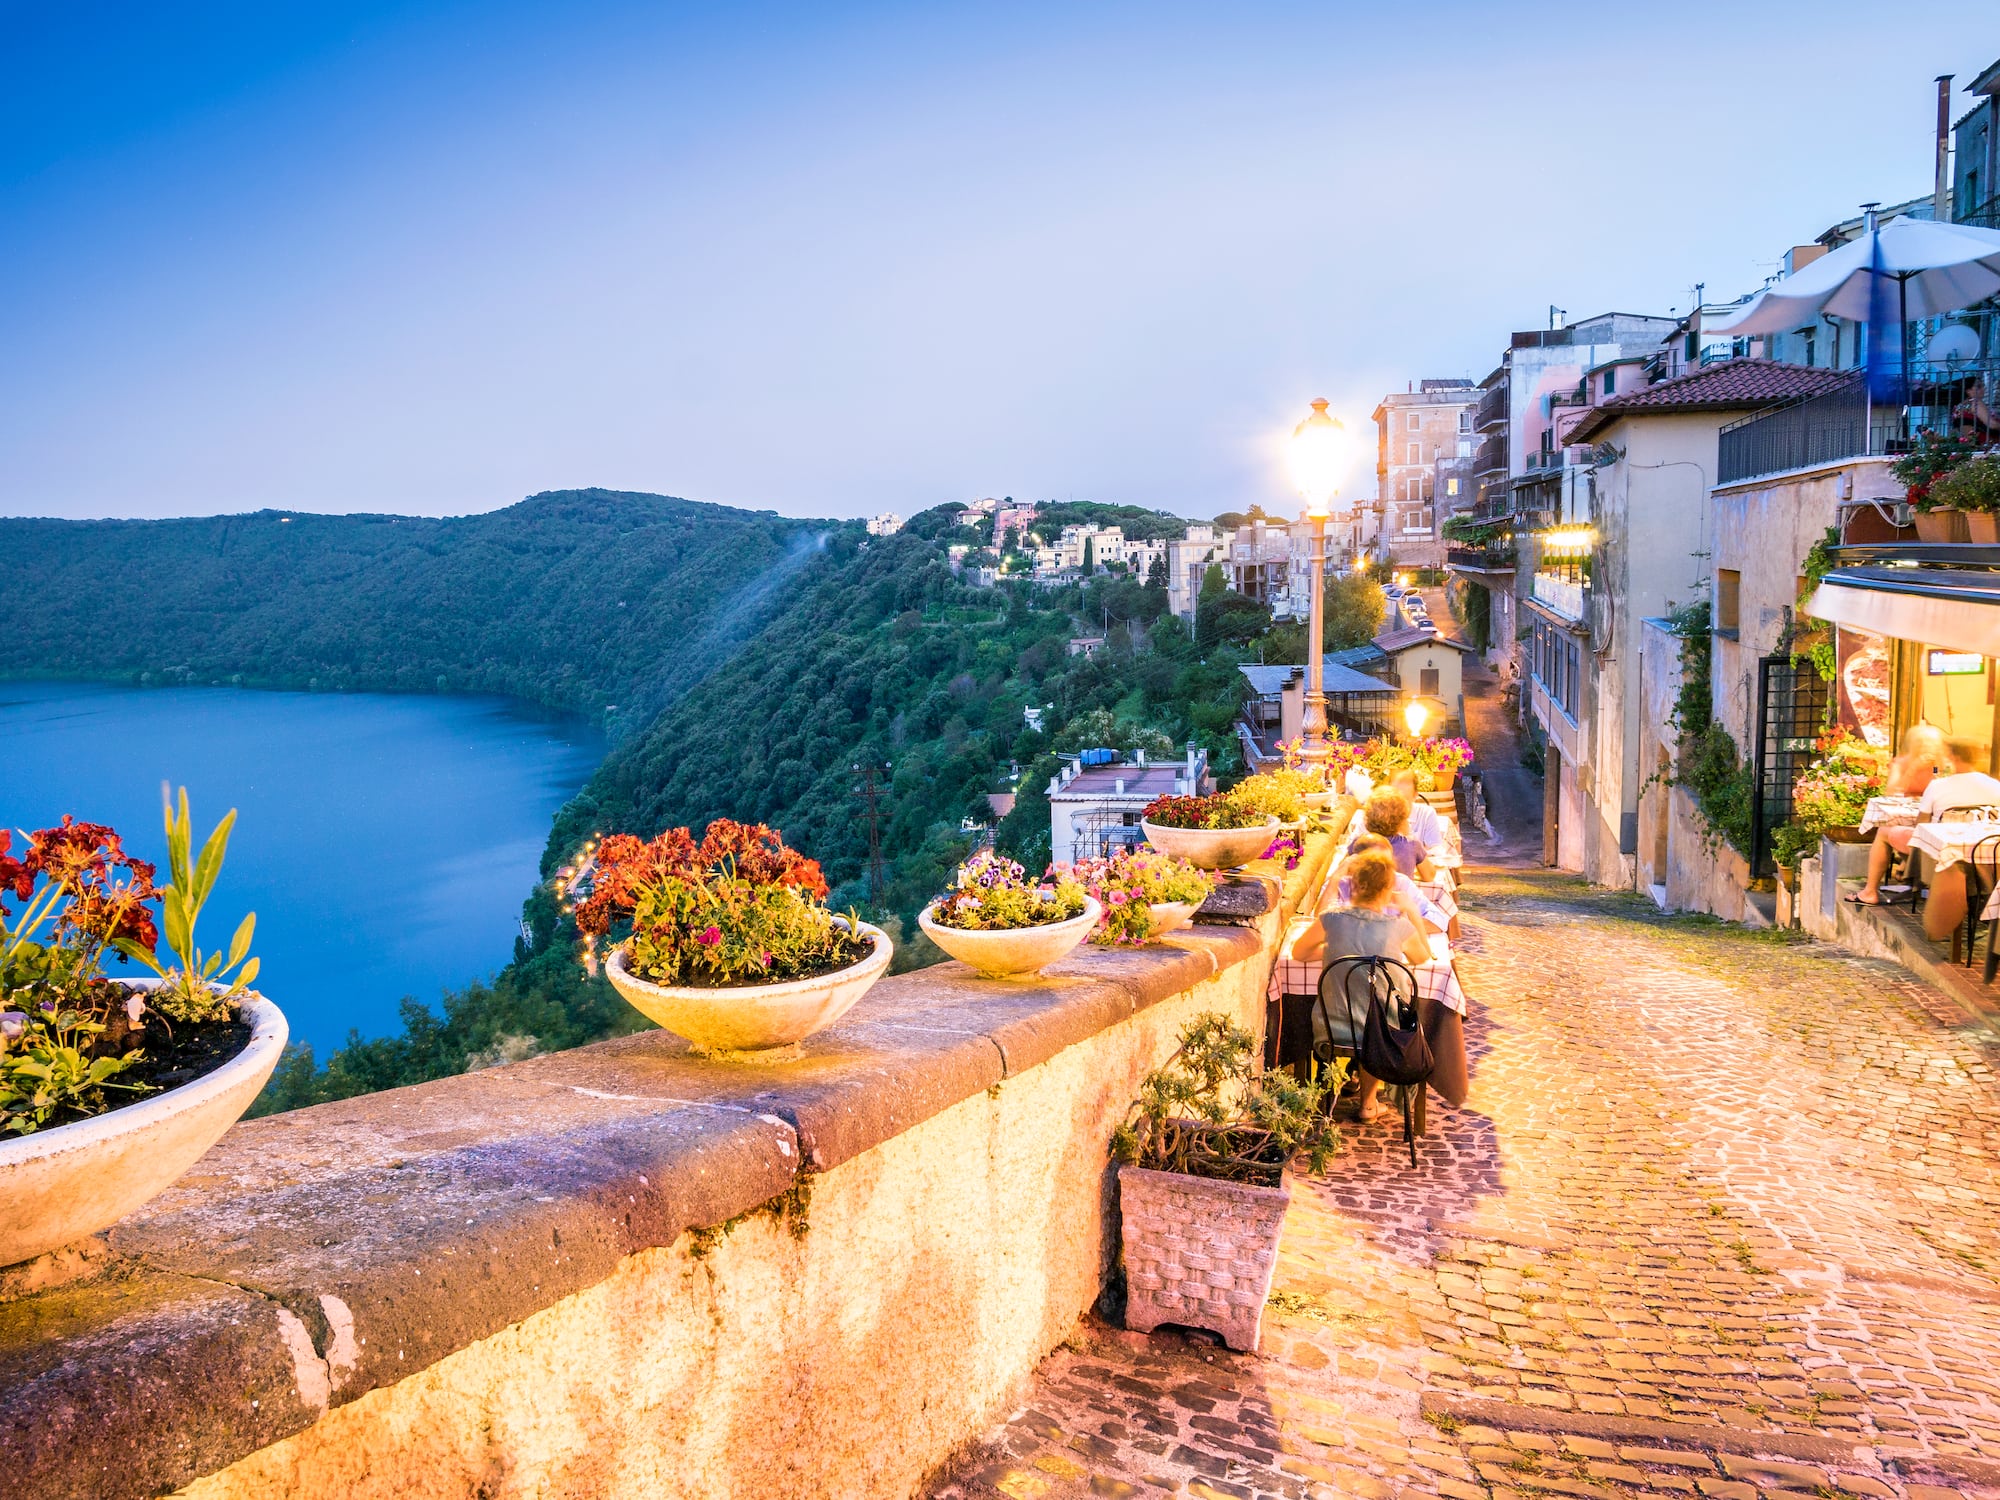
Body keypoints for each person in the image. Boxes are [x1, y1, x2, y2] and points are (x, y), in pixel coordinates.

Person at [1289, 850, 1469, 1120]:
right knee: (1377, 1016)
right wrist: (1410, 911)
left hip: (1332, 1026)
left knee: (1364, 1012)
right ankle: (1368, 1103)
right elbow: (1422, 957)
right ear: (1388, 888)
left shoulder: (1330, 919)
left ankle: (1327, 1096)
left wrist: (1337, 952)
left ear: (1354, 885)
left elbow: (1299, 953)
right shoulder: (1398, 926)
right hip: (1385, 1035)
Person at [1851, 724, 1951, 906]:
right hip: (1917, 822)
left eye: (1933, 745)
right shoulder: (1902, 763)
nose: (1930, 749)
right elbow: (1892, 790)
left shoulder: (1937, 766)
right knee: (1893, 828)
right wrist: (1913, 768)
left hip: (1933, 835)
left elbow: (1938, 784)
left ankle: (1871, 890)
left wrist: (1935, 768)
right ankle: (1907, 867)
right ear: (1915, 745)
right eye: (1925, 744)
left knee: (1884, 832)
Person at [1333, 832, 1448, 935]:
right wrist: (1334, 879)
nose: (1384, 871)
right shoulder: (1341, 884)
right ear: (1356, 863)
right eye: (1375, 865)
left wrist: (1395, 929)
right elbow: (1325, 923)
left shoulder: (1399, 882)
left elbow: (1439, 921)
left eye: (1387, 864)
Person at [1360, 790, 1435, 881]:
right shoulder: (1412, 844)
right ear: (1402, 821)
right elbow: (1429, 876)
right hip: (1402, 889)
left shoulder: (1359, 844)